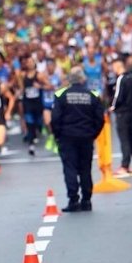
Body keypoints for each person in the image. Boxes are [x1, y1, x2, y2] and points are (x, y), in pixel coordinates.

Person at [51, 67, 105, 212]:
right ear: (83, 79)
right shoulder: (93, 95)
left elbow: (55, 118)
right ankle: (87, 200)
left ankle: (73, 200)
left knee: (70, 168)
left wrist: (58, 135)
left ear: (69, 80)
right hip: (86, 137)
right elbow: (100, 119)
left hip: (67, 137)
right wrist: (93, 133)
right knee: (85, 168)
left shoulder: (61, 95)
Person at [109, 56, 132, 178]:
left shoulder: (121, 79)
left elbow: (117, 97)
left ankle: (125, 165)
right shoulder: (131, 79)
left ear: (117, 66)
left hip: (122, 113)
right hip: (130, 111)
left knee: (124, 139)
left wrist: (112, 107)